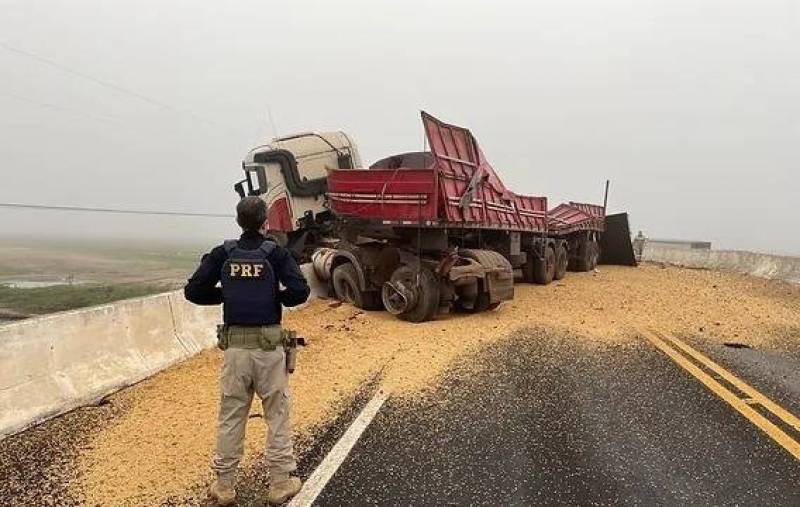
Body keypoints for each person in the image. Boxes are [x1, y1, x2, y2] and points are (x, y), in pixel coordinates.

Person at [184, 196, 310, 506]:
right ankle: (281, 482)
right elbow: (300, 291)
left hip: (235, 350)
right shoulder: (276, 254)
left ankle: (224, 485)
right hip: (269, 349)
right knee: (277, 415)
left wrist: (225, 296)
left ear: (239, 221)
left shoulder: (222, 253)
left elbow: (193, 291)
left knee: (231, 416)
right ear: (265, 222)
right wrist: (274, 297)